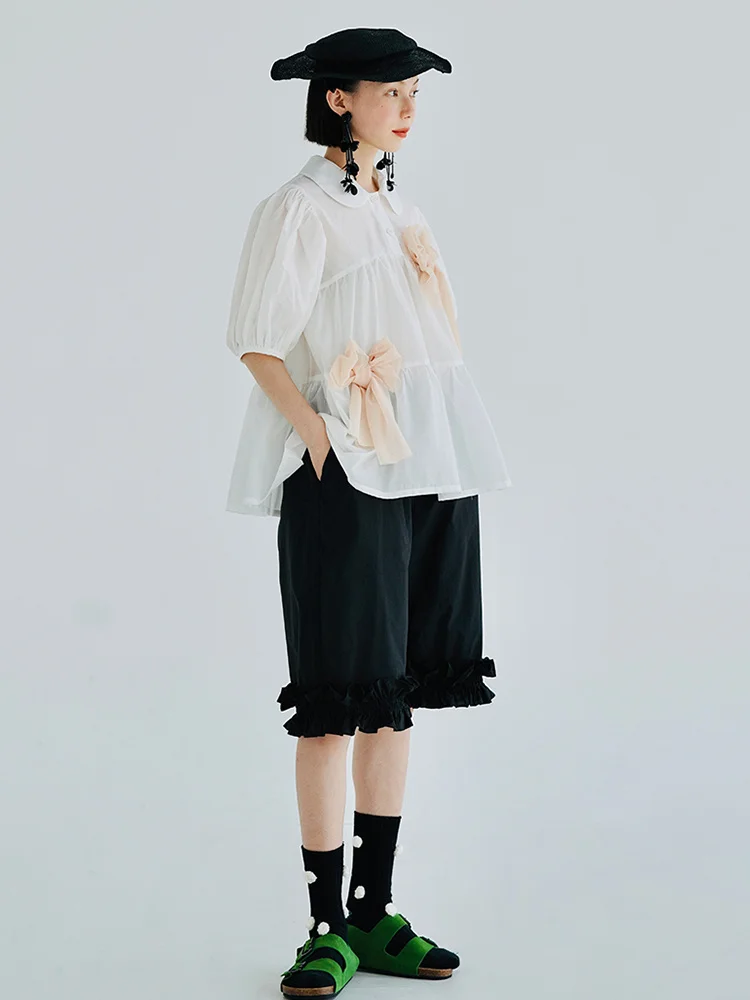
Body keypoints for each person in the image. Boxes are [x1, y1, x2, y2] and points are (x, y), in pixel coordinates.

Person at [224, 27, 512, 998]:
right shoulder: (299, 208)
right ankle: (323, 927)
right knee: (335, 701)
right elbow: (256, 336)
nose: (407, 107)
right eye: (391, 91)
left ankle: (374, 911)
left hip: (428, 462)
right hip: (349, 466)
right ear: (337, 97)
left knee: (395, 696)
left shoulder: (399, 205)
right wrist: (316, 434)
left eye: (415, 92)